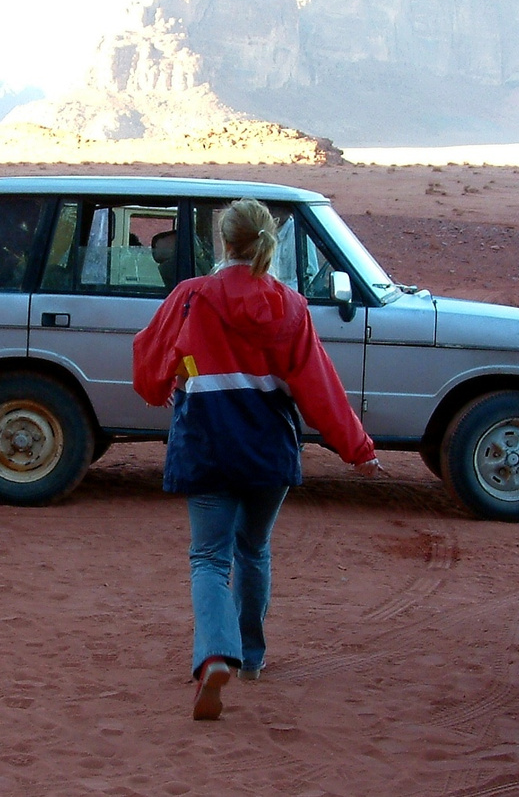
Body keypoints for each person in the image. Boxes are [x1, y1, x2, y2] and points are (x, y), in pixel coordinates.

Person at [133, 198, 381, 720]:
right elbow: (321, 389)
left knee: (209, 558)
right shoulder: (290, 306)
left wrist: (168, 387)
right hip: (269, 452)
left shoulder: (190, 297)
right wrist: (357, 449)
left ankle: (214, 657)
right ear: (266, 241)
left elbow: (147, 365)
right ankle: (251, 659)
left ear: (221, 241)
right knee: (253, 549)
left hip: (207, 446)